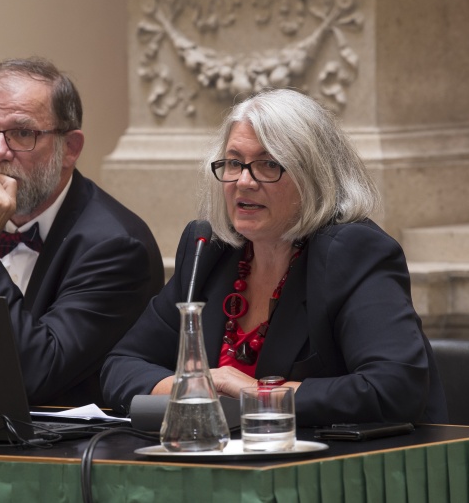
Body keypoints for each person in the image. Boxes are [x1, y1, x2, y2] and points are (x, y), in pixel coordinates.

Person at [101, 88, 448, 426]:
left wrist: (258, 394)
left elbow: (392, 389)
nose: (244, 181)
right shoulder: (209, 249)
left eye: (268, 165)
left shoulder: (353, 252)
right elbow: (122, 365)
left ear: (314, 176)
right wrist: (198, 388)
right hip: (223, 460)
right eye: (234, 163)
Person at [0, 57, 164, 407]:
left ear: (69, 148)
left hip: (71, 452)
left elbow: (35, 375)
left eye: (22, 133)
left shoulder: (116, 246)